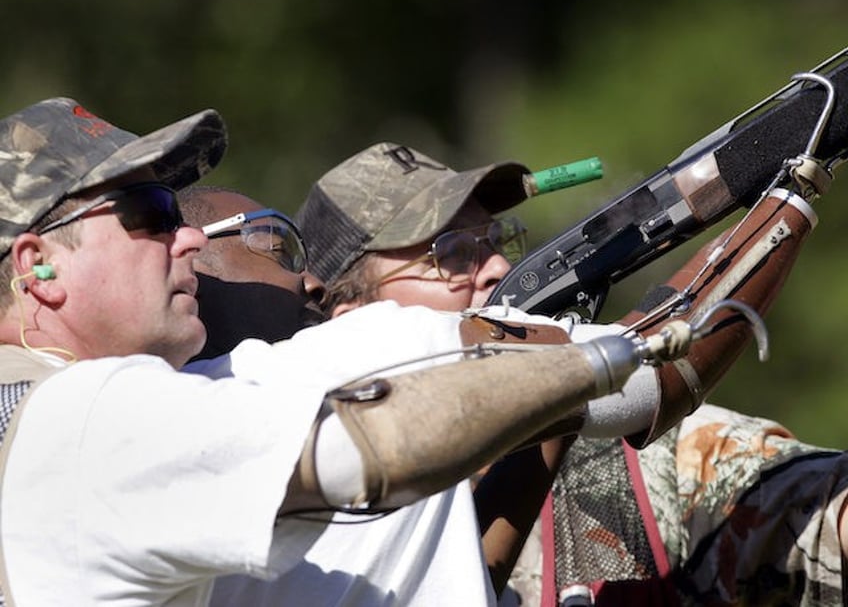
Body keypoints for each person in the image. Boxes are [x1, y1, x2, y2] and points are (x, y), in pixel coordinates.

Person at [0, 99, 670, 606]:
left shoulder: (39, 416)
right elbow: (375, 447)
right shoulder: (90, 415)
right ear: (37, 266)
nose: (186, 240)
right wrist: (603, 358)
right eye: (149, 211)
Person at [299, 143, 848, 606]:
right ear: (353, 321)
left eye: (494, 241)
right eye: (452, 254)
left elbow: (815, 513)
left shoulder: (622, 458)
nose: (495, 267)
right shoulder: (296, 517)